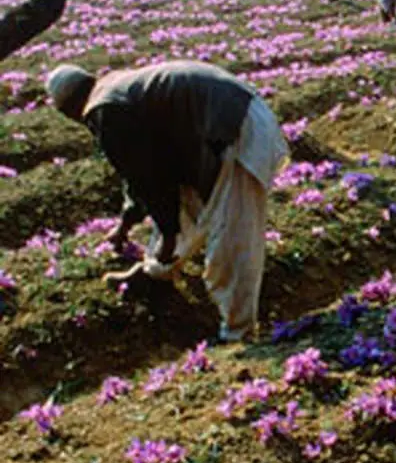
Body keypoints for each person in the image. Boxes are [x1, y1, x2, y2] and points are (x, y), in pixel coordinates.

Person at [45, 61, 289, 343]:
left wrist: (169, 235)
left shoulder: (105, 108)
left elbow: (150, 178)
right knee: (187, 202)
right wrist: (126, 224)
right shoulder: (112, 90)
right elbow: (140, 171)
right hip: (223, 123)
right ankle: (156, 273)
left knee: (232, 233)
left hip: (235, 128)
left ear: (68, 110)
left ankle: (237, 332)